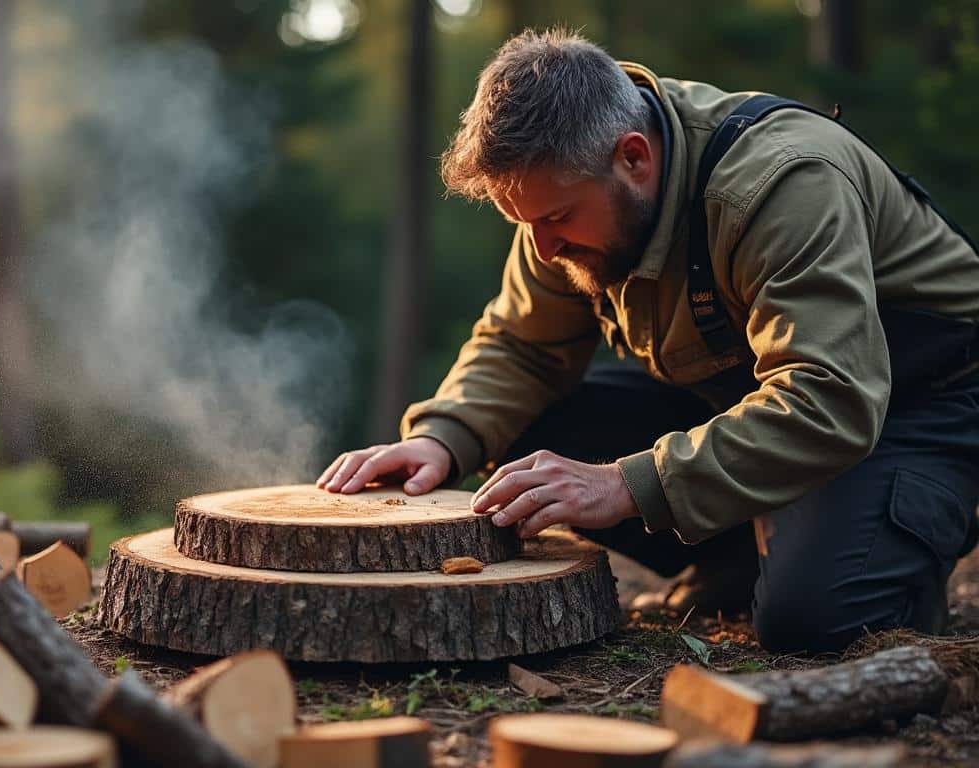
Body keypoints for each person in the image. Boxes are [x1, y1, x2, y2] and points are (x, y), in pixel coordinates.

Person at [318, 28, 979, 652]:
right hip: (756, 398)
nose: (543, 248)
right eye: (526, 224)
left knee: (813, 616)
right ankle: (745, 556)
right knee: (522, 439)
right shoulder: (572, 189)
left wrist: (628, 485)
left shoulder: (781, 184)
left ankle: (897, 544)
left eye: (556, 219)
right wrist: (443, 436)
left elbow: (829, 399)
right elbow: (523, 346)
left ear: (633, 157)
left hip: (915, 404)